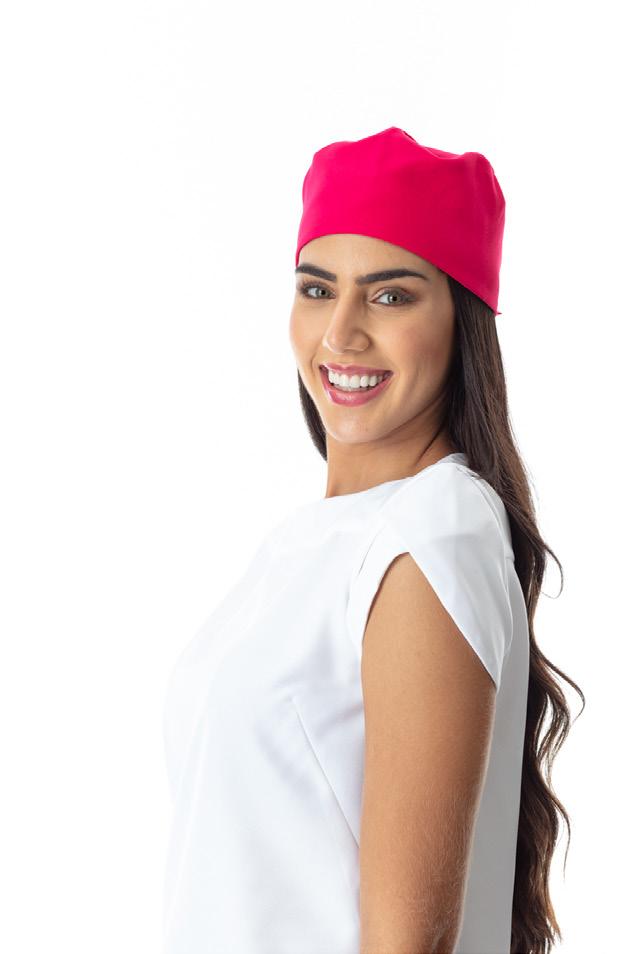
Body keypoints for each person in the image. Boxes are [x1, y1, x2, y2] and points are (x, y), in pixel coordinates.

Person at [161, 126, 584, 954]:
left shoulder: (432, 529)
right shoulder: (316, 544)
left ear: (461, 319)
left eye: (391, 297)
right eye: (317, 289)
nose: (342, 333)